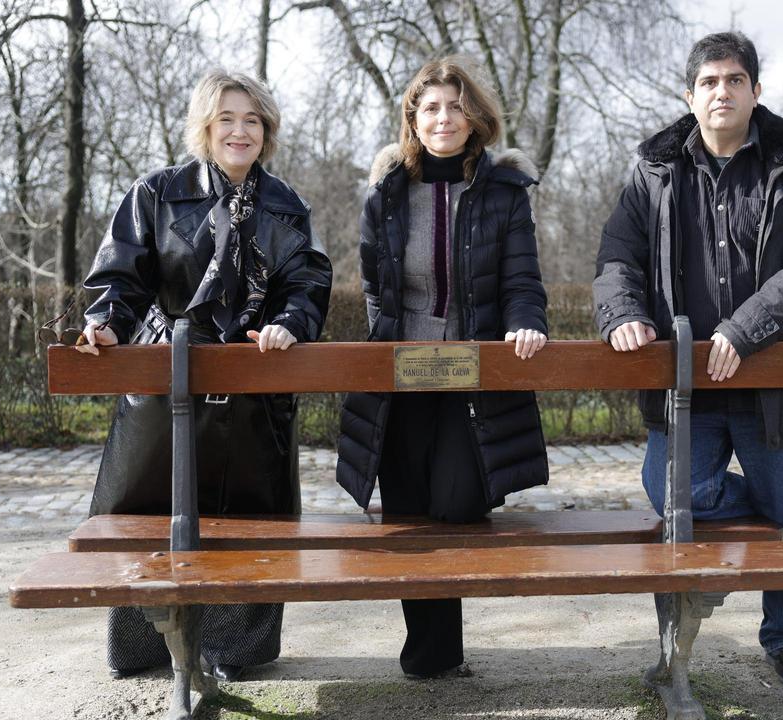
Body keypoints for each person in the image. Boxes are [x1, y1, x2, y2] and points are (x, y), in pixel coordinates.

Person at [592, 32, 783, 686]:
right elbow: (617, 258)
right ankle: (760, 535)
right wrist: (624, 314)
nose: (721, 92)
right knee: (673, 493)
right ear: (690, 94)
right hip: (688, 389)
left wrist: (746, 327)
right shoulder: (655, 173)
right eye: (708, 82)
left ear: (755, 91)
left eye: (734, 80)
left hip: (775, 385)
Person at [75, 69, 332, 682]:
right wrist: (107, 321)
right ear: (205, 128)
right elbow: (121, 275)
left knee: (252, 515)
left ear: (265, 131)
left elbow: (308, 281)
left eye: (251, 120)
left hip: (254, 385)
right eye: (226, 119)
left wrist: (292, 321)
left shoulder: (286, 205)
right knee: (148, 512)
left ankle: (236, 654)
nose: (239, 131)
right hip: (168, 379)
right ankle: (148, 653)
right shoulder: (157, 193)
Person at [336, 56, 549, 679]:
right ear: (413, 118)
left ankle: (443, 641)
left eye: (456, 106)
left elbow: (521, 279)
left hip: (472, 378)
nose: (444, 117)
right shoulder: (388, 194)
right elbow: (375, 284)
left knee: (455, 501)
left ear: (475, 116)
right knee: (406, 513)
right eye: (431, 107)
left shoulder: (505, 191)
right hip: (403, 378)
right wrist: (387, 342)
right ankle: (432, 655)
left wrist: (526, 320)